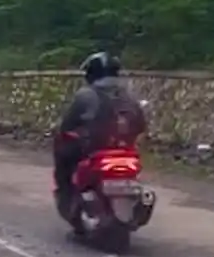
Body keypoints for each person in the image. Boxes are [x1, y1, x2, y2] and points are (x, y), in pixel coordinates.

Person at [53, 51, 147, 214]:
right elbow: (141, 124)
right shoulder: (128, 95)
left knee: (62, 156)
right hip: (125, 151)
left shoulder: (85, 94)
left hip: (93, 150)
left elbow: (67, 124)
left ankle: (67, 198)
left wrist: (68, 135)